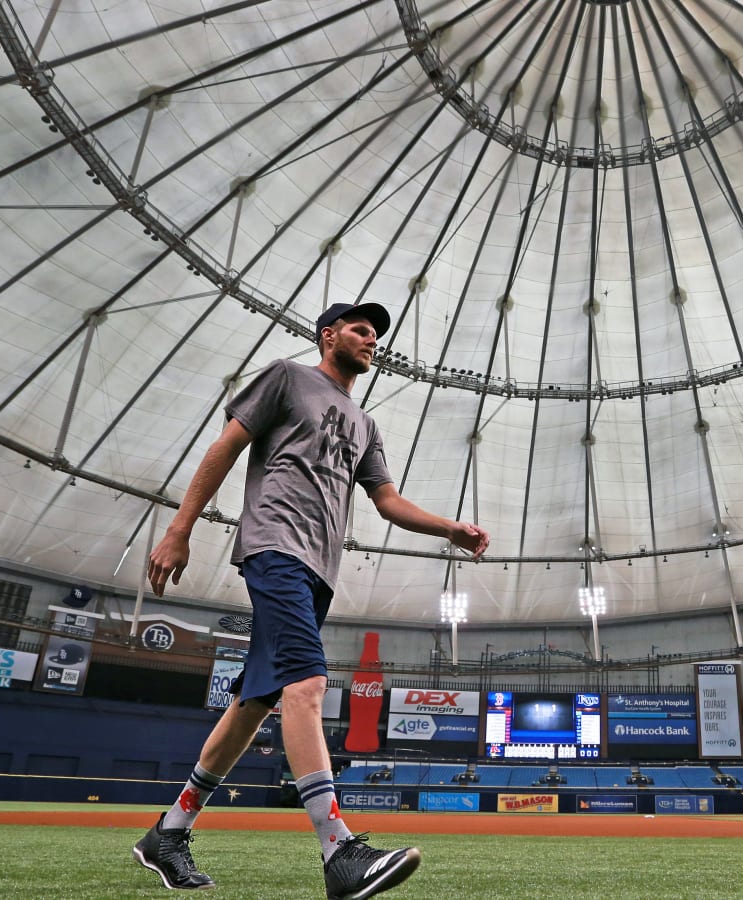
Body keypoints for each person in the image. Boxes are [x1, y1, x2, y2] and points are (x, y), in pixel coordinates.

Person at [133, 301, 489, 898]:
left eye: (376, 332)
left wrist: (449, 528)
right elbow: (223, 448)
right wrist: (180, 529)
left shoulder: (365, 424)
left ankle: (168, 833)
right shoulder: (287, 377)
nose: (371, 338)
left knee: (254, 702)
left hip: (319, 568)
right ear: (329, 337)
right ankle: (338, 851)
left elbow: (387, 501)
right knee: (307, 685)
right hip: (275, 546)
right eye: (359, 329)